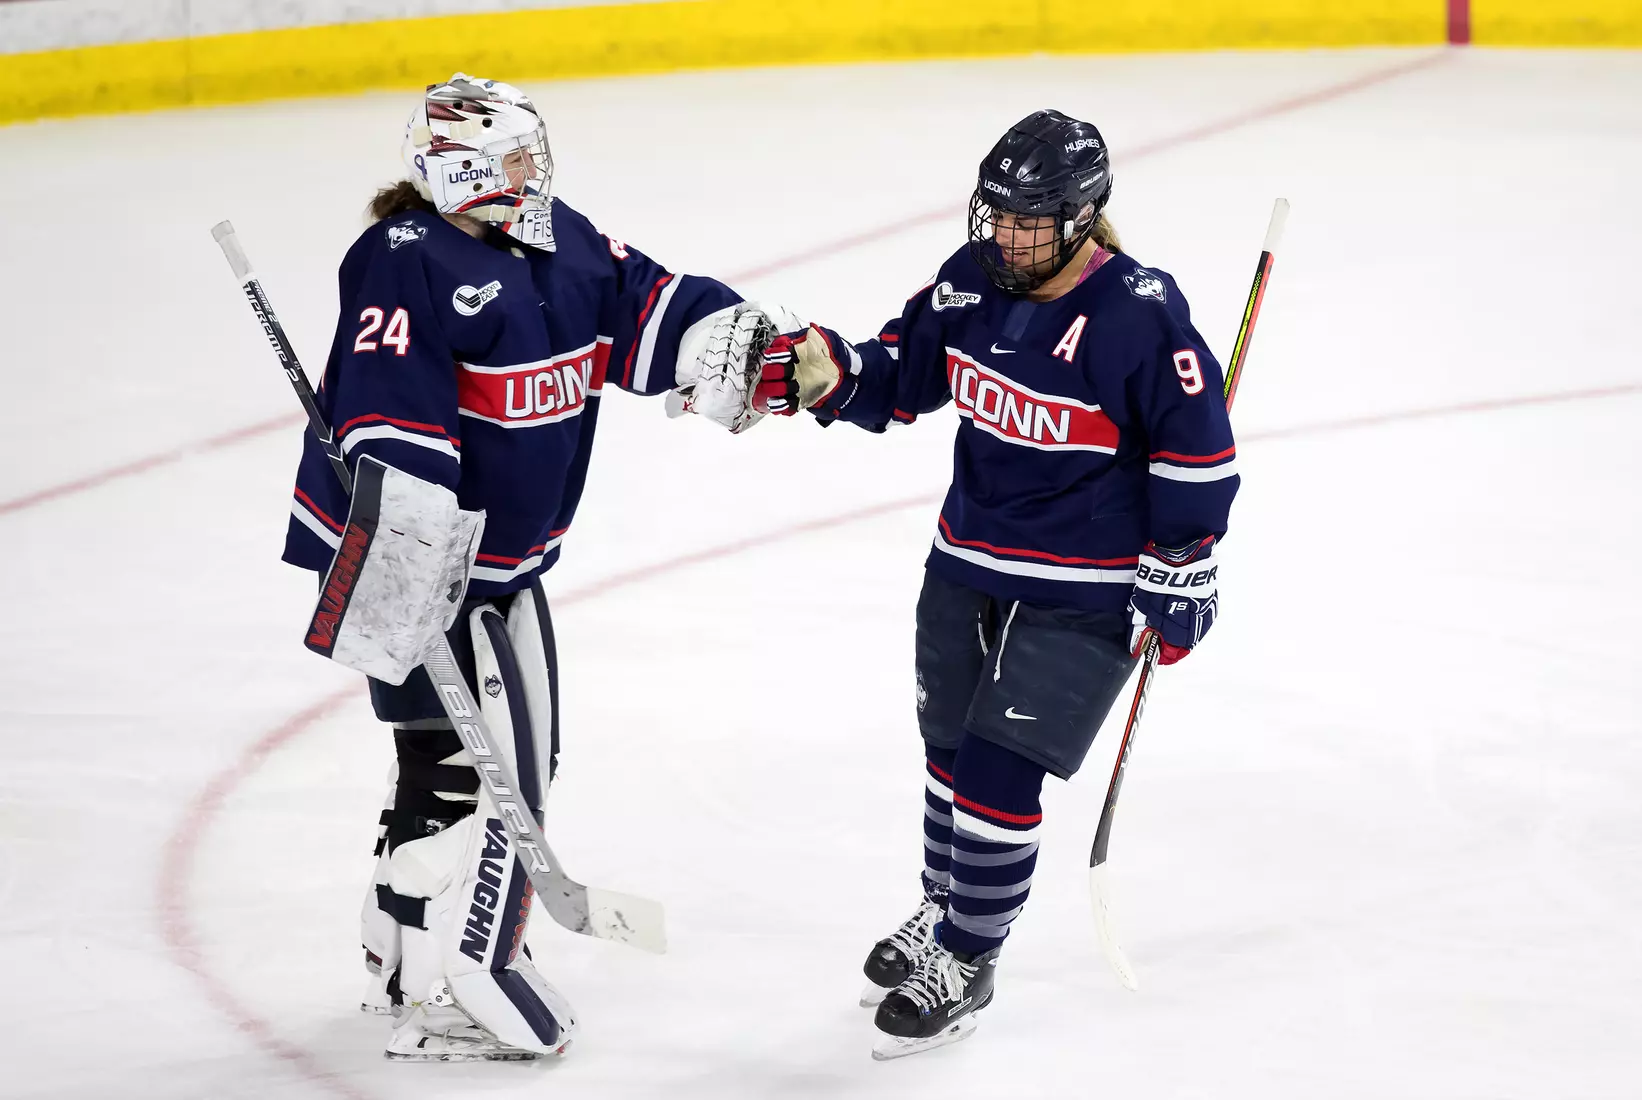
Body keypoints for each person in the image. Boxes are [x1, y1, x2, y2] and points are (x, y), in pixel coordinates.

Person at [676, 109, 1240, 1059]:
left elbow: (1198, 454)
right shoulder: (970, 280)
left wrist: (1183, 564)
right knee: (947, 756)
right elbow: (900, 377)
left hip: (1084, 585)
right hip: (966, 561)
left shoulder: (1139, 312)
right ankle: (945, 910)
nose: (1008, 237)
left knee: (996, 775)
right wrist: (822, 372)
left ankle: (970, 957)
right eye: (1000, 215)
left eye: (1032, 220)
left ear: (1085, 213)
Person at [281, 73, 760, 1062]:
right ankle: (474, 967)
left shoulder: (558, 239)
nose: (533, 176)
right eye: (511, 162)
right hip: (418, 567)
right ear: (456, 170)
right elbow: (388, 415)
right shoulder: (402, 260)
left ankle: (400, 949)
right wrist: (415, 570)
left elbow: (643, 301)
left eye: (534, 157)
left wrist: (723, 338)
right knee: (512, 776)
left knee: (446, 765)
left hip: (496, 565)